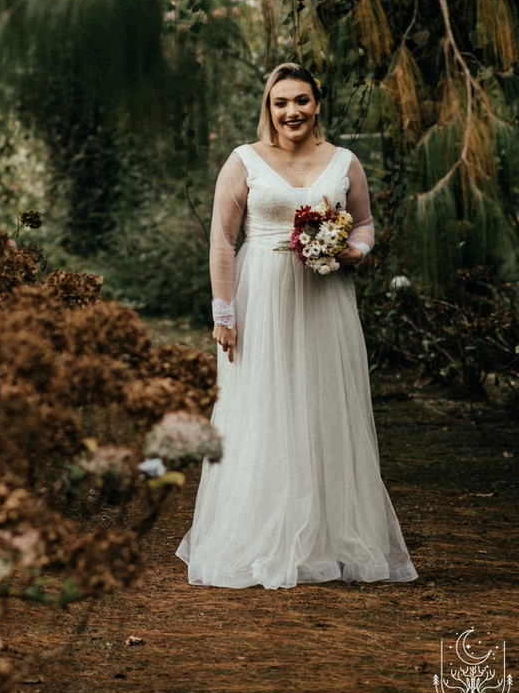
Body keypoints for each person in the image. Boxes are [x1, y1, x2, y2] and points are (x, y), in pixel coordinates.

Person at [176, 62, 417, 589]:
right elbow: (222, 240)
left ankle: (327, 539)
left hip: (325, 298)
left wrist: (356, 249)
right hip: (261, 296)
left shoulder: (344, 162)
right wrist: (224, 315)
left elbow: (366, 223)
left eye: (302, 101)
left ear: (316, 104)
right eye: (282, 102)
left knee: (322, 405)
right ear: (269, 107)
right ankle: (262, 534)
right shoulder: (244, 161)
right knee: (264, 408)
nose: (292, 112)